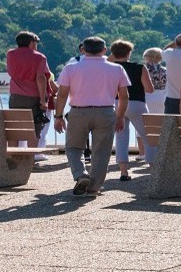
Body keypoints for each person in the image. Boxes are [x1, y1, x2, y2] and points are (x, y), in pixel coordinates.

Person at [53, 37, 129, 196]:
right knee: (101, 152)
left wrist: (58, 116)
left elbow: (62, 95)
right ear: (104, 50)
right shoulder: (117, 69)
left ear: (83, 50)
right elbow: (124, 96)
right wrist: (120, 116)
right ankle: (93, 188)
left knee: (73, 148)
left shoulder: (70, 68)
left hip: (78, 111)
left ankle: (81, 174)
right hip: (106, 112)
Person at [109, 41, 153, 181]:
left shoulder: (110, 68)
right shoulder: (139, 67)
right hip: (136, 104)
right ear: (129, 53)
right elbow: (149, 89)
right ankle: (153, 168)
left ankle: (123, 172)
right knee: (148, 137)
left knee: (121, 137)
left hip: (115, 103)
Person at [6, 31, 52, 147]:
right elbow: (40, 78)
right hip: (34, 97)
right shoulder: (39, 57)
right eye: (36, 43)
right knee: (34, 130)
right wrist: (43, 100)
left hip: (16, 96)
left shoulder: (11, 54)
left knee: (14, 130)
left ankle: (13, 159)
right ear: (31, 43)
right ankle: (30, 160)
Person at [143, 48, 167, 114]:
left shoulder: (142, 69)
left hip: (146, 96)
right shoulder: (165, 70)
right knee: (159, 121)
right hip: (162, 97)